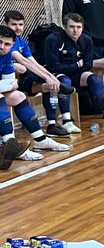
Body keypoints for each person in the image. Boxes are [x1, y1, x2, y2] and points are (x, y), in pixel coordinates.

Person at [42, 13, 104, 128]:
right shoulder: (53, 39)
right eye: (72, 27)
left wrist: (75, 67)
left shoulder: (86, 39)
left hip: (77, 74)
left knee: (95, 79)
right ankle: (67, 121)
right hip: (59, 74)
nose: (75, 31)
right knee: (65, 81)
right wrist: (76, 65)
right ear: (65, 26)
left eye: (79, 27)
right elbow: (53, 66)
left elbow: (87, 64)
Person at [0, 24, 69, 166]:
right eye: (0, 42)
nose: (2, 47)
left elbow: (11, 84)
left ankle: (40, 140)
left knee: (18, 96)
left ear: (12, 45)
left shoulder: (7, 55)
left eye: (7, 44)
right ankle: (11, 147)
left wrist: (49, 77)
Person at [3, 10, 70, 136]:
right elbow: (23, 61)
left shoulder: (21, 41)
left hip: (20, 80)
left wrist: (50, 77)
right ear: (6, 24)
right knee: (22, 68)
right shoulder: (5, 42)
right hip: (12, 81)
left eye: (20, 24)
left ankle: (52, 124)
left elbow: (33, 63)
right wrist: (46, 77)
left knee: (49, 84)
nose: (18, 28)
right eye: (14, 24)